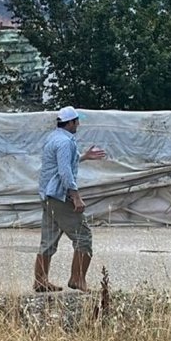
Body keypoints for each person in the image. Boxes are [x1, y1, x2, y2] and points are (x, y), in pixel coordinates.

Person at [34, 106, 106, 292]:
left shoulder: (54, 137)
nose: (79, 125)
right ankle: (77, 279)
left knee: (48, 239)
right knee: (83, 236)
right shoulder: (65, 142)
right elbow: (65, 172)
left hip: (48, 195)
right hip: (60, 196)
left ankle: (40, 281)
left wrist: (84, 157)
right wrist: (76, 197)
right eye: (77, 121)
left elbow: (63, 163)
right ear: (71, 122)